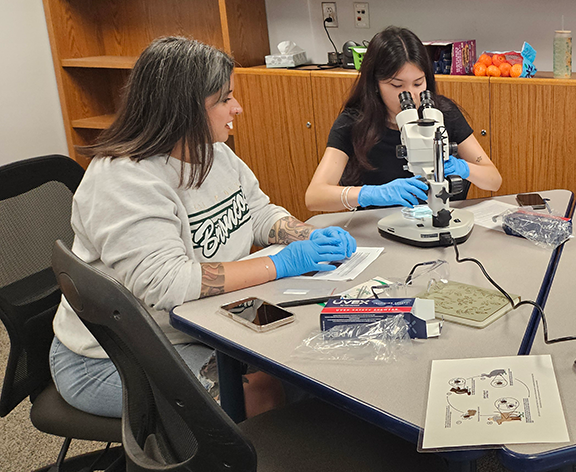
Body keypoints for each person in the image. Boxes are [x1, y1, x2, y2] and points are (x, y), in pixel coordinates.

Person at [50, 37, 358, 419]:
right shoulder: (122, 180)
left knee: (309, 358)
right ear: (184, 109)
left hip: (198, 325)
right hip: (111, 357)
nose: (237, 107)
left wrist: (307, 235)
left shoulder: (212, 152)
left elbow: (257, 211)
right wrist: (281, 263)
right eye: (225, 99)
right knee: (262, 394)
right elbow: (168, 284)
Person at [306, 26, 501, 212]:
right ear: (375, 84)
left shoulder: (443, 114)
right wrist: (371, 194)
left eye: (418, 83)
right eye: (397, 85)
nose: (411, 96)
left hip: (438, 220)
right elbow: (314, 196)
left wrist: (463, 168)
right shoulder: (354, 122)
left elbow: (493, 180)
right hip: (378, 226)